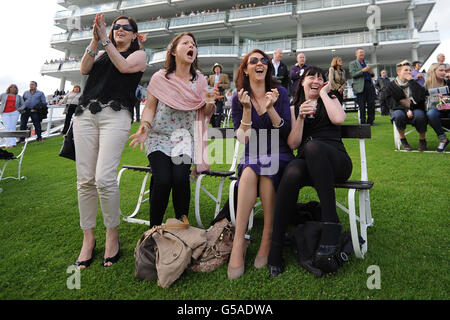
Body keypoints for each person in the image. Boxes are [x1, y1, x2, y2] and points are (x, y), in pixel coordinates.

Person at [73, 14, 146, 269]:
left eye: (126, 27)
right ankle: (88, 238)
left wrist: (105, 40)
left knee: (104, 177)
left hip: (115, 116)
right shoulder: (102, 51)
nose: (120, 30)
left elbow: (124, 68)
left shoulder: (137, 55)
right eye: (116, 27)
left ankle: (111, 234)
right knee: (85, 180)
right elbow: (84, 69)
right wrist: (95, 42)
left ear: (135, 35)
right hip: (85, 116)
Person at [267, 66, 352, 277]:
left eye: (320, 77)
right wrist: (301, 118)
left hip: (336, 161)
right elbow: (295, 143)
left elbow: (339, 120)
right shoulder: (296, 108)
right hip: (309, 163)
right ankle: (275, 244)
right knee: (294, 169)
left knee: (313, 146)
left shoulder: (330, 98)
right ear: (302, 82)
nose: (316, 80)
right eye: (311, 77)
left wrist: (324, 92)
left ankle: (331, 224)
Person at [129, 32, 214, 228]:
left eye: (193, 43)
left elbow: (205, 111)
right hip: (159, 137)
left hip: (184, 139)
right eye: (185, 43)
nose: (191, 46)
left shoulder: (200, 80)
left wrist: (209, 100)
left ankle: (181, 224)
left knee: (180, 178)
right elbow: (150, 107)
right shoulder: (161, 77)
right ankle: (154, 228)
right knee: (164, 179)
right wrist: (145, 127)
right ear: (174, 51)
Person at [227, 49, 294, 280]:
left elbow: (286, 133)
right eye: (253, 60)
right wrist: (247, 110)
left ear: (268, 67)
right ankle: (238, 241)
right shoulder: (239, 98)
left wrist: (271, 108)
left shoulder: (280, 92)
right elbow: (243, 139)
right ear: (245, 69)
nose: (260, 63)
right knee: (247, 174)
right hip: (253, 152)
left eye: (263, 60)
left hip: (280, 151)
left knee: (266, 171)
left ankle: (268, 235)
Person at [386, 60, 428, 151]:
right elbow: (392, 103)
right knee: (398, 115)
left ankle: (422, 140)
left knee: (420, 116)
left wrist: (411, 81)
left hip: (415, 107)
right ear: (398, 72)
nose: (409, 72)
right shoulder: (391, 86)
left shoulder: (413, 83)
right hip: (398, 108)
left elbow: (421, 98)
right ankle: (403, 140)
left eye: (410, 70)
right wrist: (406, 109)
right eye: (406, 70)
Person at [425, 63, 450, 152]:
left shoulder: (447, 81)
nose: (444, 72)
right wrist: (435, 97)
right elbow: (422, 99)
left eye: (445, 70)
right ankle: (443, 139)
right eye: (441, 70)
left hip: (448, 108)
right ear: (433, 72)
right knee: (431, 113)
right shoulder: (427, 84)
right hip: (435, 108)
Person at [349, 48, 376, 125]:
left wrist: (371, 72)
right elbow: (353, 74)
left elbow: (372, 75)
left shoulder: (367, 62)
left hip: (369, 85)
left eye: (363, 52)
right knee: (362, 105)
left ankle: (371, 121)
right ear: (356, 54)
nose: (362, 54)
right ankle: (363, 122)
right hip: (360, 87)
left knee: (371, 104)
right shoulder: (352, 63)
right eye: (360, 52)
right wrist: (363, 70)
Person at [208, 63, 230, 127]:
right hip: (212, 95)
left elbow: (228, 85)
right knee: (211, 110)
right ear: (214, 70)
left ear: (220, 69)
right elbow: (207, 84)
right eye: (215, 68)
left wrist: (221, 85)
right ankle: (214, 125)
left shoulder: (224, 76)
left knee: (219, 111)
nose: (217, 69)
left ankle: (218, 125)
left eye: (218, 68)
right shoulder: (211, 77)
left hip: (220, 94)